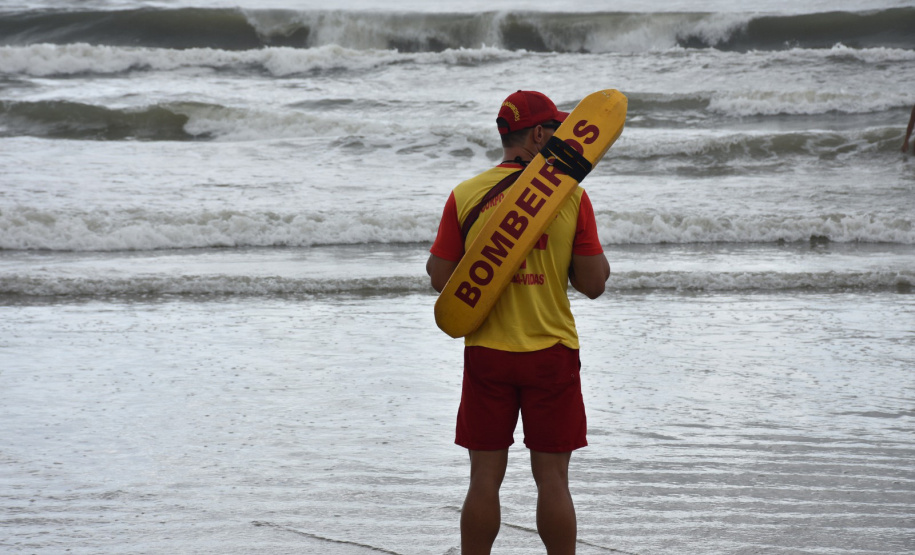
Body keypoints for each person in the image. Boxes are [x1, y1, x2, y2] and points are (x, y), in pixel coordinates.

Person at [426, 90, 611, 555]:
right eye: (555, 131)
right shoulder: (571, 196)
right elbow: (593, 283)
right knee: (552, 480)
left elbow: (440, 278)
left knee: (484, 479)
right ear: (539, 135)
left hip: (487, 352)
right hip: (551, 352)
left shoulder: (467, 193)